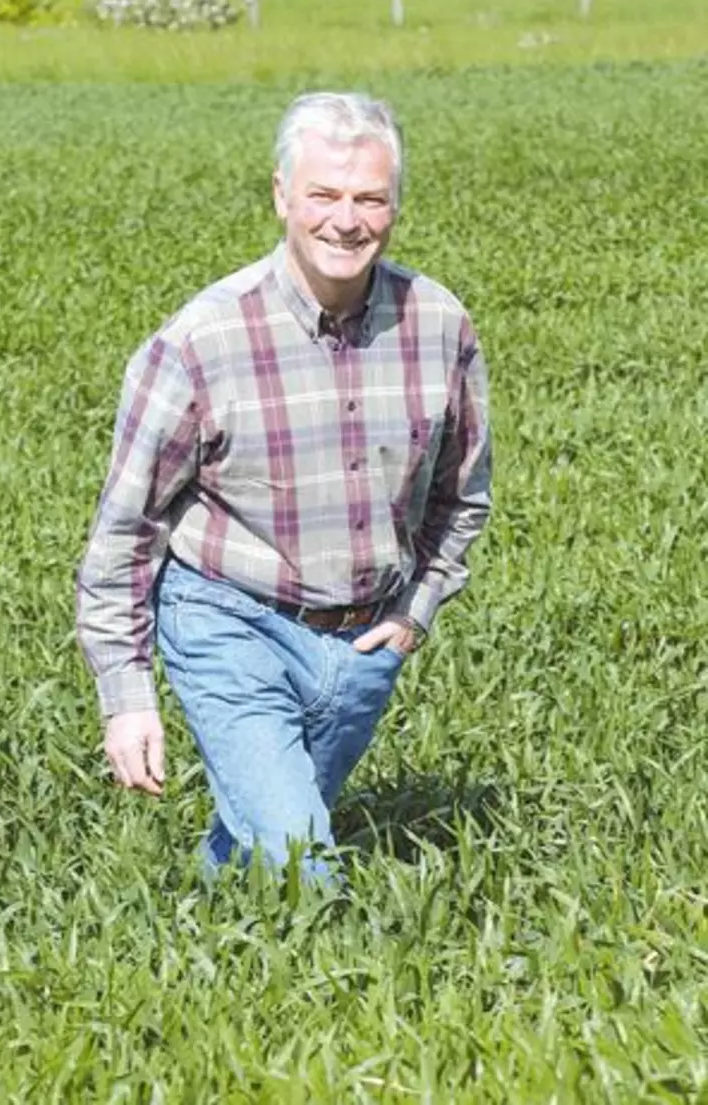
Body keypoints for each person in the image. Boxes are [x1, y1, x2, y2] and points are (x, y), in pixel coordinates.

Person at [77, 90, 492, 882]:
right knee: (304, 863)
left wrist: (417, 610)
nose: (347, 220)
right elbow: (125, 530)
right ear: (280, 196)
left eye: (370, 198)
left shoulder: (439, 325)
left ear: (395, 204)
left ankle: (190, 957)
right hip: (228, 621)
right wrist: (126, 695)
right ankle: (369, 994)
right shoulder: (201, 341)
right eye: (323, 195)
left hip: (367, 642)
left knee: (255, 853)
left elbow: (462, 495)